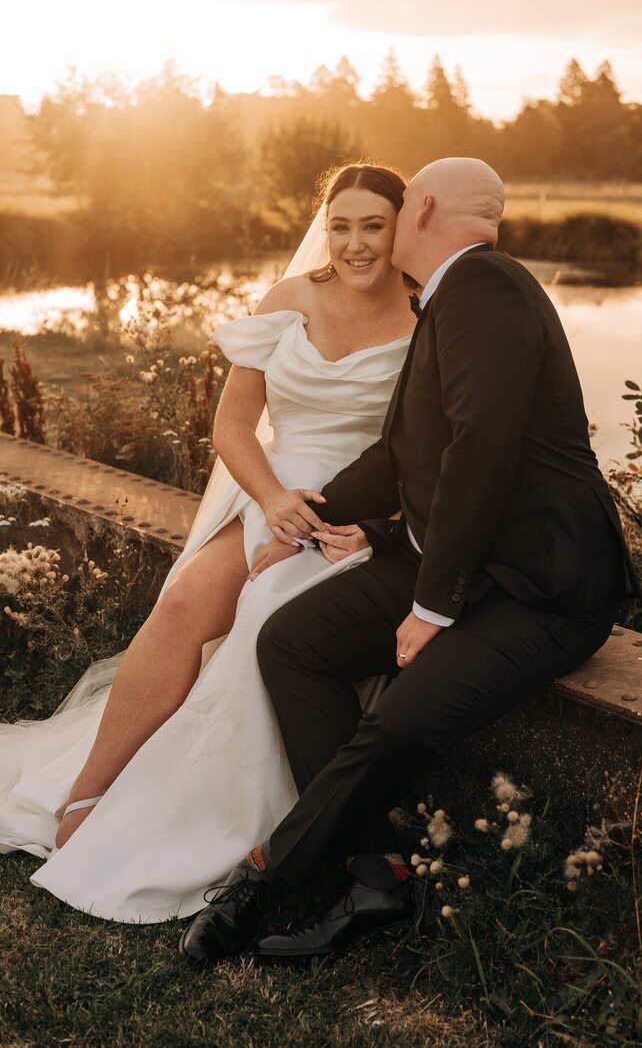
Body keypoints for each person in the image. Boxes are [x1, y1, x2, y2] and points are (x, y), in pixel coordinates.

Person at [179, 156, 641, 967]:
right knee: (292, 643)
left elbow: (480, 453)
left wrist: (431, 608)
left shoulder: (488, 287)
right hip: (458, 557)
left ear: (419, 208)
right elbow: (401, 455)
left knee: (402, 718)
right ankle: (377, 875)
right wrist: (306, 519)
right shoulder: (450, 296)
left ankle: (261, 882)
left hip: (542, 587)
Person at [0, 162, 417, 922]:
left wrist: (357, 527)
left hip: (352, 515)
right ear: (325, 230)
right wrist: (270, 500)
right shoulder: (290, 300)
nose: (356, 245)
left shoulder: (429, 316)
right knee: (189, 596)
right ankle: (91, 786)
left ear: (403, 228)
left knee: (266, 617)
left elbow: (430, 452)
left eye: (374, 226)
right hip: (268, 489)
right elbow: (231, 425)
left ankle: (210, 818)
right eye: (341, 226)